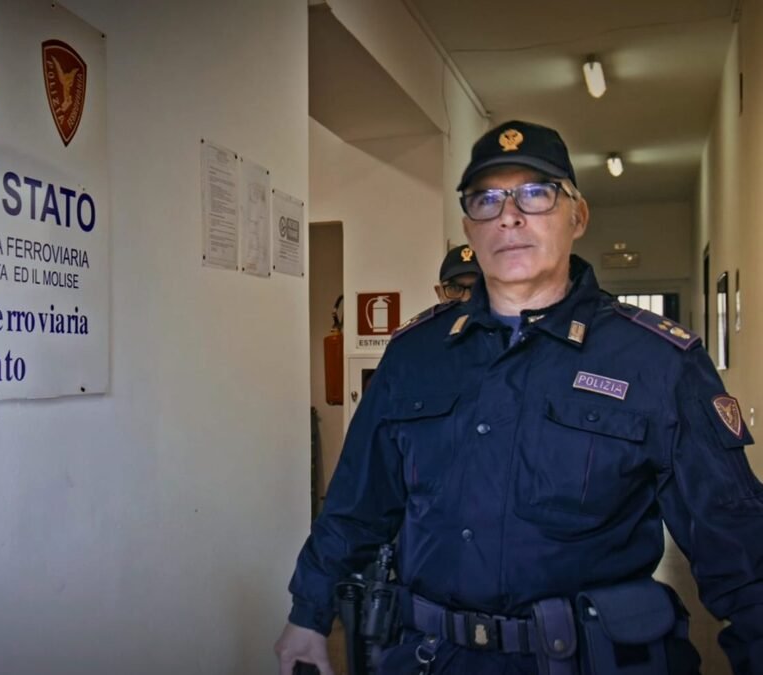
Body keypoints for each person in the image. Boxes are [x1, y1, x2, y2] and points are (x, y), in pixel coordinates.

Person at [275, 120, 763, 675]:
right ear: (469, 226)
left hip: (587, 661)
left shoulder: (658, 362)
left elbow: (741, 549)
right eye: (486, 199)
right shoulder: (415, 355)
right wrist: (308, 613)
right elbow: (356, 507)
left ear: (578, 216)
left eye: (535, 193)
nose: (508, 215)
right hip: (431, 659)